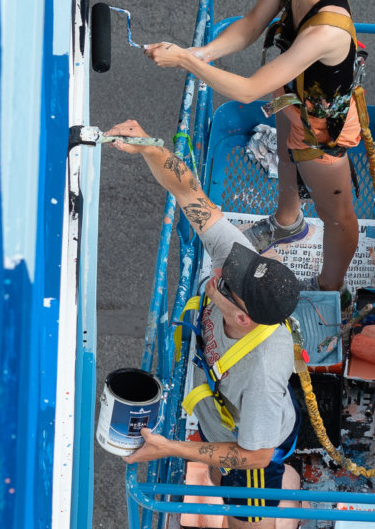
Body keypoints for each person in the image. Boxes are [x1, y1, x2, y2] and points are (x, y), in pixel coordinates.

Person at [144, 0, 362, 304]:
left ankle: (333, 290)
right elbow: (249, 26)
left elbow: (246, 91)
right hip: (291, 96)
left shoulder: (326, 31)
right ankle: (287, 222)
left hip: (320, 127)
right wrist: (199, 53)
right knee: (285, 159)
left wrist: (185, 62)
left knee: (338, 216)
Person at [106, 119, 303, 529]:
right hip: (223, 421)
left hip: (254, 446)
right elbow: (189, 194)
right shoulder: (240, 263)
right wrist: (151, 148)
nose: (218, 271)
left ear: (242, 317)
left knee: (245, 521)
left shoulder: (263, 374)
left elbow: (255, 456)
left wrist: (171, 448)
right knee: (217, 477)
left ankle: (280, 499)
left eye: (226, 283)